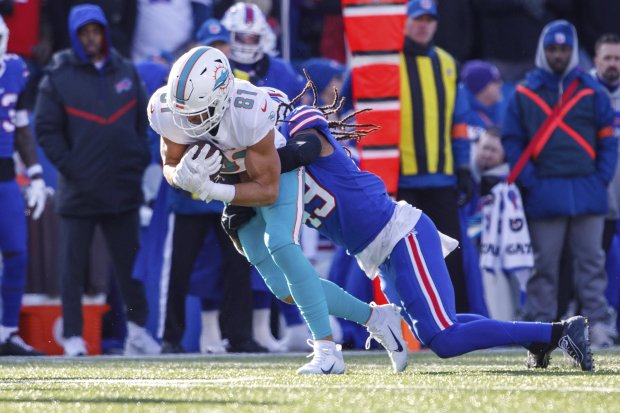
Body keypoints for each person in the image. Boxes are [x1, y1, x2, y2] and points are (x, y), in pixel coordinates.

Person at [225, 84, 595, 371]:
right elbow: (254, 238)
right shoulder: (271, 172)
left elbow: (301, 151)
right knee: (432, 328)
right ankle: (540, 337)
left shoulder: (298, 124)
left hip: (399, 233)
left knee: (444, 338)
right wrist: (233, 202)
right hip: (380, 252)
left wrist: (251, 172)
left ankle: (557, 332)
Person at [151, 46, 407, 374]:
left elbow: (267, 189)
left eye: (196, 115)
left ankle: (328, 351)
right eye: (181, 114)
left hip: (277, 169)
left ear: (221, 98)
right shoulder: (166, 109)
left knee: (281, 244)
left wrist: (212, 189)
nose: (188, 124)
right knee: (285, 290)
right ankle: (378, 318)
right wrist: (180, 176)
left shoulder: (248, 112)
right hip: (238, 178)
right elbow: (170, 163)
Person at [35, 4, 159, 356]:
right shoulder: (58, 76)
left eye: (96, 32)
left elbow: (144, 122)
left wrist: (136, 161)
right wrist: (72, 166)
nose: (91, 39)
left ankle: (136, 332)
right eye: (84, 33)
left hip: (122, 189)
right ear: (75, 36)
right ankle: (73, 336)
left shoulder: (127, 71)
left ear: (104, 32)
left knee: (129, 269)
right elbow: (46, 129)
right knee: (71, 270)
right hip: (79, 191)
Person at [501, 21, 618, 345]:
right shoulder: (525, 93)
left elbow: (609, 140)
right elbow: (512, 141)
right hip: (546, 192)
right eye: (553, 48)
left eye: (564, 49)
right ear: (543, 50)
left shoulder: (592, 92)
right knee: (544, 268)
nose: (558, 54)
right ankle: (541, 330)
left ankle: (598, 326)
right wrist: (532, 183)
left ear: (573, 50)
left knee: (592, 265)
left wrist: (600, 179)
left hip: (587, 190)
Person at [396, 0, 472, 312]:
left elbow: (460, 122)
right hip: (400, 179)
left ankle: (459, 317)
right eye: (417, 19)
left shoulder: (448, 64)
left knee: (451, 254)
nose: (423, 25)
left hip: (441, 179)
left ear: (436, 24)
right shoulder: (388, 62)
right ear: (405, 22)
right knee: (398, 255)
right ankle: (401, 321)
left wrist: (464, 167)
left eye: (429, 19)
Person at [0, 16, 49, 356]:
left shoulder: (15, 69)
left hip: (5, 176)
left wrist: (34, 173)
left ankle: (6, 332)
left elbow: (19, 125)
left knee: (17, 252)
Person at [590, 33, 620, 347]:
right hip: (599, 199)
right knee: (592, 268)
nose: (613, 64)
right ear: (596, 60)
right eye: (607, 58)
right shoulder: (583, 93)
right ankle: (595, 324)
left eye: (617, 58)